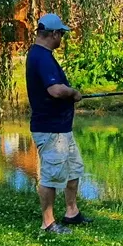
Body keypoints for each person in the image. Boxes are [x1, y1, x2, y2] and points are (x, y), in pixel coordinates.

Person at [25, 13, 93, 234]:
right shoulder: (41, 57)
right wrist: (73, 93)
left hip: (62, 129)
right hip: (51, 129)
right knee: (51, 177)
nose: (62, 38)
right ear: (53, 33)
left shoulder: (43, 55)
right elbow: (55, 90)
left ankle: (71, 212)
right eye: (61, 34)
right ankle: (48, 223)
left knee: (73, 170)